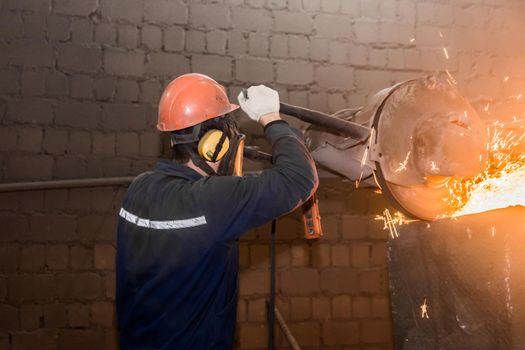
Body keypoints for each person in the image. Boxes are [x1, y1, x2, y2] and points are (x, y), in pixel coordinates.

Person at [115, 73, 318, 349]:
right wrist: (272, 118)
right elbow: (298, 178)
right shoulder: (211, 202)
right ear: (214, 144)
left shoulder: (138, 190)